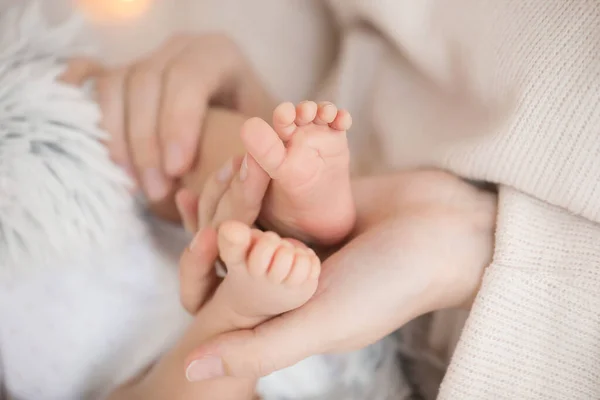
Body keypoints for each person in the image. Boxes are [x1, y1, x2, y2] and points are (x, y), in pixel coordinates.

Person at [80, 0, 600, 398]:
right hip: (367, 161)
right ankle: (278, 218)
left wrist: (496, 257)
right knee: (201, 166)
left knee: (195, 170)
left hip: (430, 329)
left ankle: (264, 237)